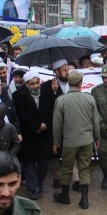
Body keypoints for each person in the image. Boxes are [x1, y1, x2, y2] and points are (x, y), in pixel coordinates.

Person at [52, 71, 100, 209]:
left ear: (69, 83)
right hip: (86, 140)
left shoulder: (61, 100)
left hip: (69, 142)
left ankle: (65, 196)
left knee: (67, 169)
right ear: (80, 83)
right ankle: (84, 199)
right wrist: (96, 138)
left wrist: (56, 142)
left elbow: (57, 124)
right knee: (84, 168)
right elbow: (95, 122)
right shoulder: (89, 99)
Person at [13, 71, 53, 200]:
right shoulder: (18, 96)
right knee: (30, 163)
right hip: (29, 134)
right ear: (26, 84)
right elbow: (21, 116)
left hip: (45, 134)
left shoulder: (47, 93)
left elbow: (52, 111)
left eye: (37, 83)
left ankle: (38, 184)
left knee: (43, 163)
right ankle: (33, 188)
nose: (35, 86)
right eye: (32, 84)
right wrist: (37, 126)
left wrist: (45, 124)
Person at [40, 59, 69, 189]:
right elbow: (44, 108)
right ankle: (57, 178)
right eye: (64, 70)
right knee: (54, 153)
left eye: (68, 70)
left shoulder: (72, 83)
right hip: (53, 126)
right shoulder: (46, 86)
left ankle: (73, 179)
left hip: (69, 125)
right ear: (56, 72)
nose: (67, 72)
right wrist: (52, 92)